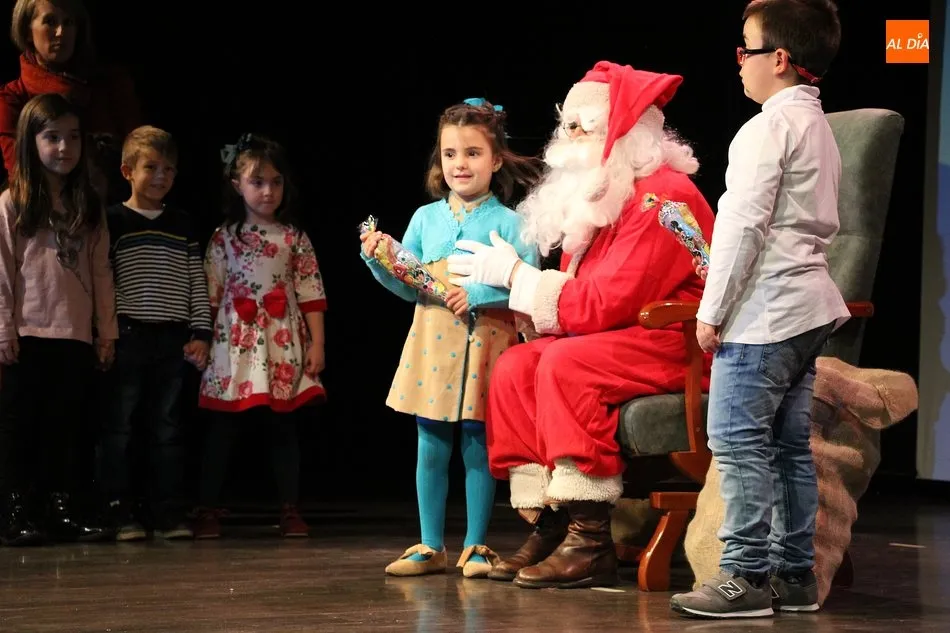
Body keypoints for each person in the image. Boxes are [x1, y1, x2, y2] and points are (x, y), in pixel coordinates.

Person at [447, 61, 715, 589]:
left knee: (567, 365)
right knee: (518, 365)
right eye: (565, 125)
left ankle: (591, 539)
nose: (568, 138)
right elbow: (584, 299)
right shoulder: (607, 192)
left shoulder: (664, 198)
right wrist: (520, 287)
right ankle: (554, 522)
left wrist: (521, 278)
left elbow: (605, 302)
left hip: (677, 341)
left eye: (583, 128)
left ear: (630, 135)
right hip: (624, 335)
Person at [669, 0, 847, 618]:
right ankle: (793, 577)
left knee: (739, 443)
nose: (738, 62)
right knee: (788, 448)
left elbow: (743, 227)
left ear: (780, 59)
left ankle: (744, 576)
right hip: (808, 307)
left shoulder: (767, 127)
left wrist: (710, 311)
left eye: (746, 48)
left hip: (767, 313)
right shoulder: (818, 127)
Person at [360, 98, 541, 578]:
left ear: (496, 159)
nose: (460, 164)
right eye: (450, 154)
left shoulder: (513, 223)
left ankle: (477, 545)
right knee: (431, 444)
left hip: (487, 344)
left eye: (473, 153)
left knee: (479, 444)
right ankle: (429, 544)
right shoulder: (425, 219)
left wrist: (478, 293)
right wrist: (381, 261)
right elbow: (410, 284)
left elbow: (530, 283)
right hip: (432, 343)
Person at [193, 133, 326, 539]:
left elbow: (310, 291)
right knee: (223, 430)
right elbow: (210, 291)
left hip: (281, 342)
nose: (268, 191)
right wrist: (201, 337)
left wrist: (318, 344)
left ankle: (290, 508)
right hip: (233, 344)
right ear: (237, 185)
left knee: (283, 430)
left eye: (276, 181)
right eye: (257, 182)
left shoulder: (294, 237)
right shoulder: (224, 237)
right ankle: (208, 507)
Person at [0, 93, 117, 545]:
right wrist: (4, 328)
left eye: (73, 137)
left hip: (74, 333)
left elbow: (102, 272)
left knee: (65, 426)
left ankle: (61, 506)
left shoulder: (87, 207)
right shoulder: (14, 202)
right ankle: (16, 509)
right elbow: (4, 271)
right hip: (27, 332)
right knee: (19, 426)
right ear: (31, 142)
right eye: (52, 138)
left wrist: (105, 332)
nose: (64, 148)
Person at [98, 125, 212, 542]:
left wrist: (201, 331)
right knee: (121, 427)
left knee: (166, 428)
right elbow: (103, 281)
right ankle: (120, 509)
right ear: (128, 170)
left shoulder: (182, 223)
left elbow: (196, 281)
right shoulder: (113, 220)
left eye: (170, 169)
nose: (162, 177)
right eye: (151, 167)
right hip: (129, 335)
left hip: (172, 339)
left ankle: (167, 511)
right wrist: (105, 333)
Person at [0, 0, 143, 202]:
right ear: (27, 31)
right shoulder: (12, 98)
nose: (60, 32)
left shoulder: (110, 83)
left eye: (68, 23)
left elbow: (142, 155)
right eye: (50, 22)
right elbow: (20, 175)